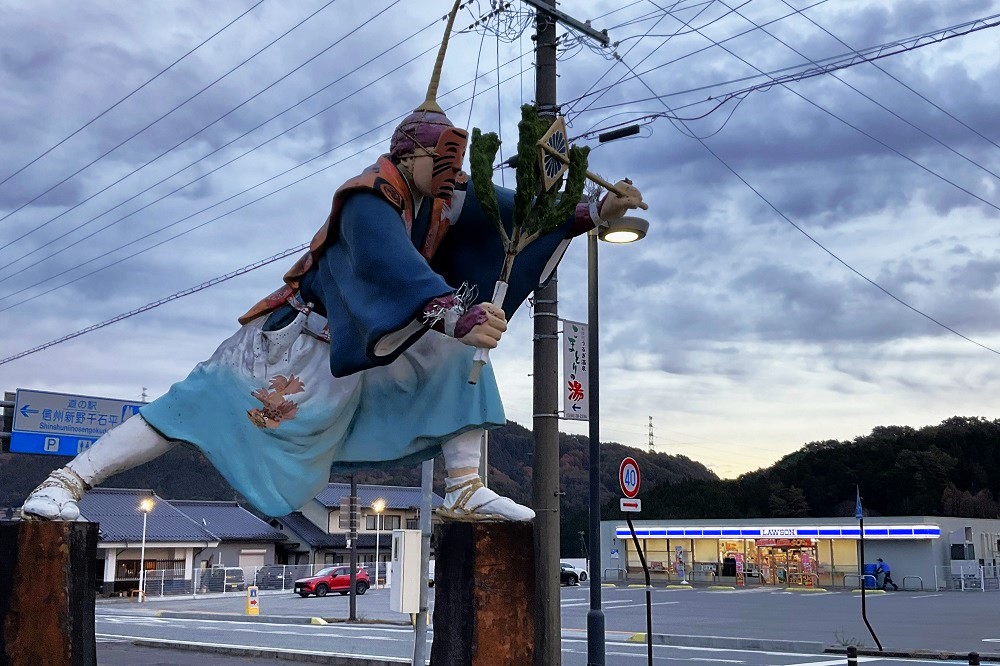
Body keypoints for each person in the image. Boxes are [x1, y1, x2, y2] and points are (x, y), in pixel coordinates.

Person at [21, 1, 644, 525]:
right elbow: (390, 263)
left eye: (455, 168)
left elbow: (516, 212)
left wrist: (594, 210)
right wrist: (456, 315)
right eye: (440, 165)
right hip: (295, 342)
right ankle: (65, 482)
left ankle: (462, 488)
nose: (452, 178)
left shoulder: (443, 194)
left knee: (463, 361)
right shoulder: (367, 201)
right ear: (407, 157)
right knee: (189, 409)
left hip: (372, 343)